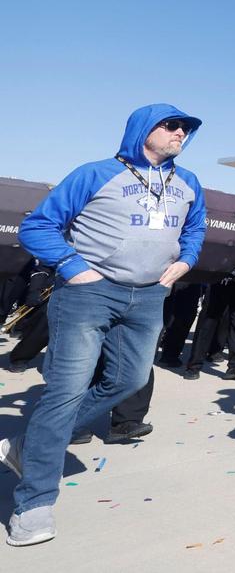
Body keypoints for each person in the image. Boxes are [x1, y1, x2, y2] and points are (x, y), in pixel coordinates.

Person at [1, 104, 206, 547]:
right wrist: (73, 266)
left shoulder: (187, 183)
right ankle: (34, 502)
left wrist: (186, 260)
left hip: (150, 295)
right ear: (142, 130)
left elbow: (195, 229)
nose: (180, 133)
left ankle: (29, 445)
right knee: (66, 389)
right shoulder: (93, 174)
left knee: (129, 380)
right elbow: (38, 227)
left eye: (186, 128)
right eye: (171, 125)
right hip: (88, 293)